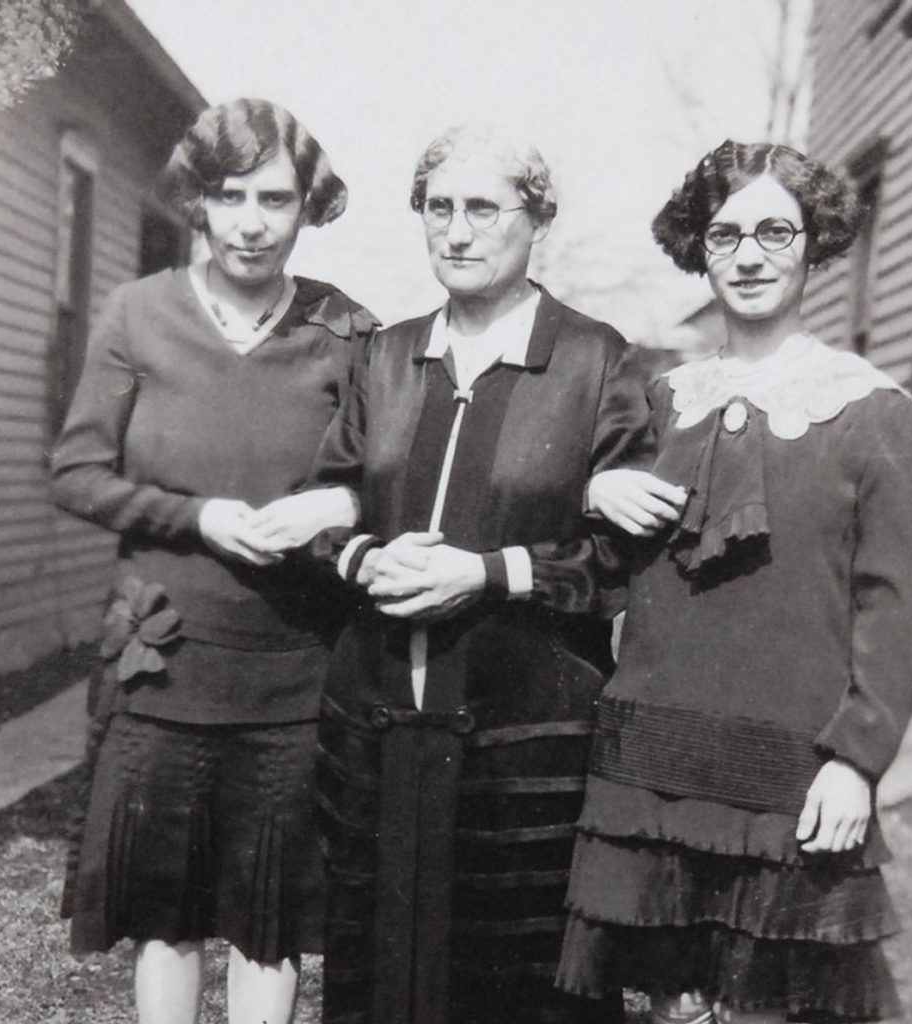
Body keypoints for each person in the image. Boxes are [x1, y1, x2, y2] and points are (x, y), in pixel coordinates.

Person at [556, 140, 912, 1024]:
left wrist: (858, 761)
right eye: (725, 236)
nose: (751, 255)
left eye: (774, 231)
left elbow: (891, 600)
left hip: (790, 773)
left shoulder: (871, 409)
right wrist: (592, 493)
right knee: (667, 1007)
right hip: (654, 770)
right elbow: (604, 572)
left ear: (814, 244)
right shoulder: (660, 400)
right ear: (699, 249)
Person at [306, 124, 658, 1024]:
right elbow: (325, 504)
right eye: (439, 209)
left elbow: (621, 560)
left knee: (518, 979)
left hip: (527, 731)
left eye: (483, 210)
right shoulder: (386, 358)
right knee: (379, 971)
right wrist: (363, 556)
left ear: (538, 222)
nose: (457, 233)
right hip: (380, 718)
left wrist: (490, 574)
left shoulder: (595, 360)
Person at [51, 98, 374, 1024]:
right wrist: (198, 518)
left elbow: (388, 475)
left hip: (293, 674)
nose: (250, 221)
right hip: (165, 665)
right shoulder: (137, 313)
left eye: (275, 198)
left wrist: (338, 503)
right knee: (169, 909)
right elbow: (76, 473)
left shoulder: (345, 329)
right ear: (198, 201)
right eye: (228, 196)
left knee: (266, 915)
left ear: (307, 208)